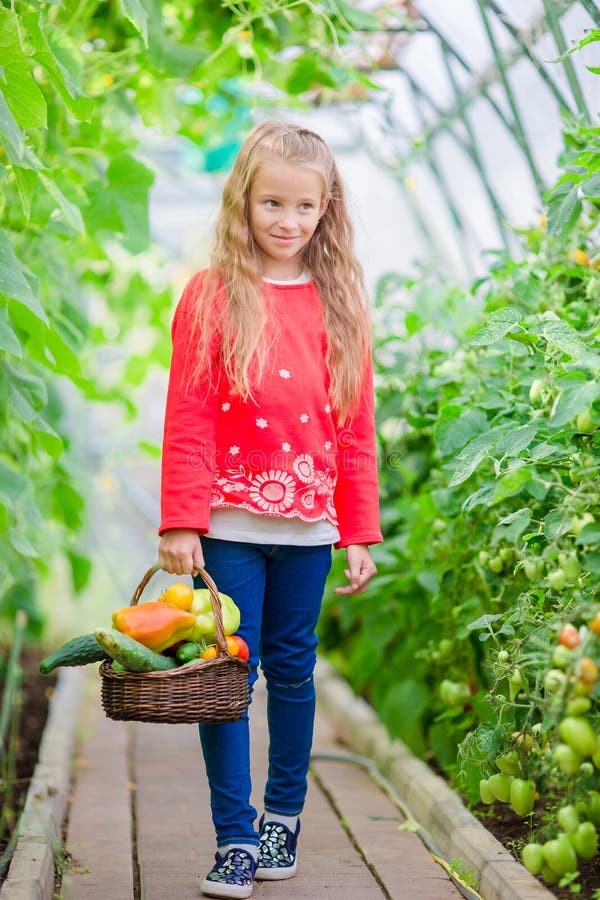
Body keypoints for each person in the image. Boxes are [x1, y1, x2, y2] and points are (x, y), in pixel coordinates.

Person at [158, 120, 382, 899]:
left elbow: (355, 427)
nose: (288, 222)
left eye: (305, 207)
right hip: (229, 527)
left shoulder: (340, 301)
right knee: (228, 674)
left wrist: (358, 529)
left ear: (328, 210)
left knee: (292, 670)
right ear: (243, 201)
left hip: (311, 530)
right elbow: (187, 415)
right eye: (272, 204)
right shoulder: (212, 296)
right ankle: (235, 836)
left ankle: (282, 818)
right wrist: (181, 519)